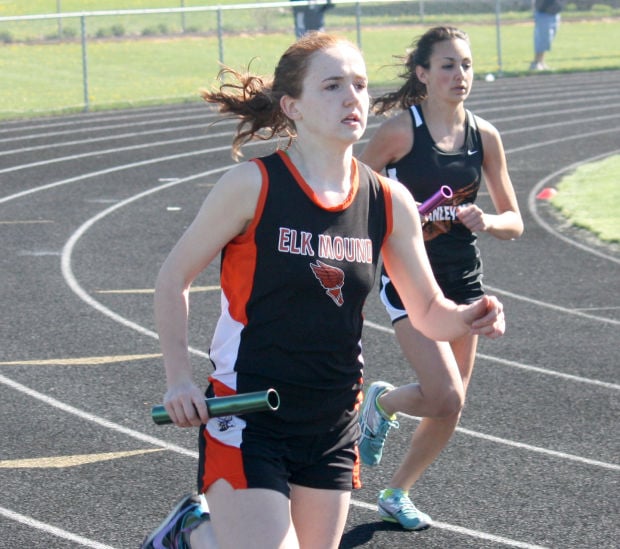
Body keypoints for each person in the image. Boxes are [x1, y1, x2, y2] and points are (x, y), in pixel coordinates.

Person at [141, 32, 506, 549]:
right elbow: (172, 279)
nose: (352, 97)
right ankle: (194, 531)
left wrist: (469, 316)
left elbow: (427, 311)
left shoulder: (388, 200)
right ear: (293, 106)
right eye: (332, 86)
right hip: (249, 409)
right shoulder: (252, 185)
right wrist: (178, 380)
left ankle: (198, 536)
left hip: (332, 418)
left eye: (358, 84)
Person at [356, 26, 523, 531]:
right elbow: (353, 191)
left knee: (450, 405)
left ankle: (396, 491)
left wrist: (485, 219)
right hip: (409, 275)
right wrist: (400, 219)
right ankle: (382, 403)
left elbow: (514, 220)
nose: (460, 75)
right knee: (444, 393)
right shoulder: (400, 133)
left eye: (466, 65)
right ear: (423, 74)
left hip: (463, 279)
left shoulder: (483, 136)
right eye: (448, 65)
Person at [530, 0, 565, 70]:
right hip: (544, 13)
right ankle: (536, 63)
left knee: (548, 40)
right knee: (543, 38)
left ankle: (541, 61)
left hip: (555, 13)